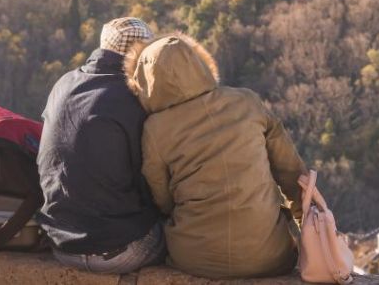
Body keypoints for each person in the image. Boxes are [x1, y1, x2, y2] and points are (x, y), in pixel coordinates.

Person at [125, 33, 307, 279]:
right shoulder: (247, 102)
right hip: (270, 256)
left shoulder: (155, 130)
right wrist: (305, 224)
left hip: (195, 259)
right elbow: (291, 172)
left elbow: (163, 198)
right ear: (199, 64)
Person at [37, 17, 165, 273]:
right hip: (118, 250)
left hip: (61, 244)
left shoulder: (63, 83)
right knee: (183, 233)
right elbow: (150, 181)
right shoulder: (135, 97)